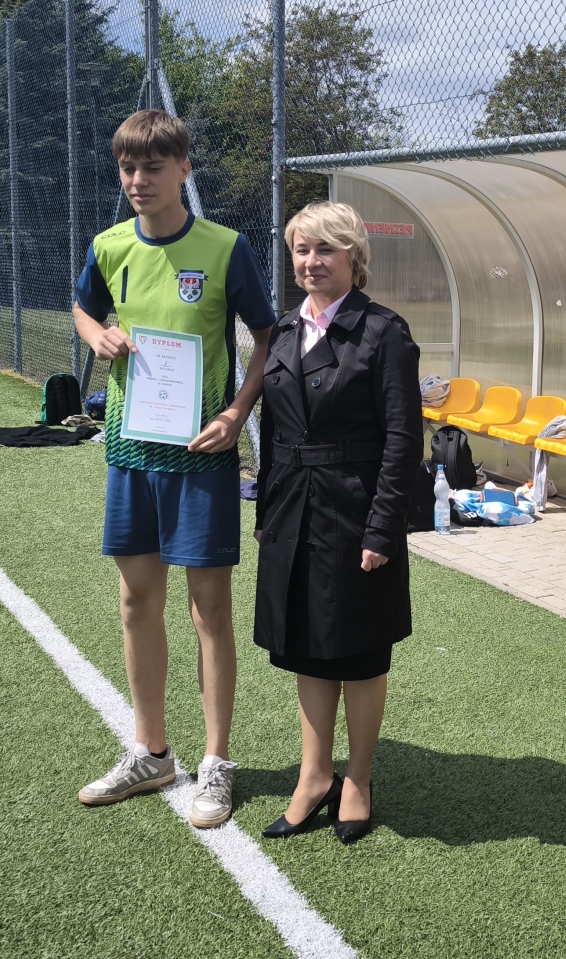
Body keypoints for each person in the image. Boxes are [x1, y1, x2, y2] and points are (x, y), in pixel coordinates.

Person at [71, 109, 276, 828]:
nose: (138, 180)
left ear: (184, 169)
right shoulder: (108, 245)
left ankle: (217, 761)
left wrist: (238, 414)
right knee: (136, 603)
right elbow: (82, 308)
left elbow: (267, 336)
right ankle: (151, 751)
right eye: (128, 167)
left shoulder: (225, 248)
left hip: (200, 459)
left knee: (208, 611)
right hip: (131, 452)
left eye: (153, 167)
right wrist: (96, 333)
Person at [254, 201, 419, 845]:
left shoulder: (384, 332)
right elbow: (273, 432)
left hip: (355, 510)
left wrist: (382, 529)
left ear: (355, 257)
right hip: (292, 509)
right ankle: (314, 776)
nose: (311, 262)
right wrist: (267, 511)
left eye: (326, 249)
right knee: (308, 648)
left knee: (359, 651)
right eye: (302, 249)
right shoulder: (283, 330)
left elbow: (404, 440)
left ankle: (359, 779)